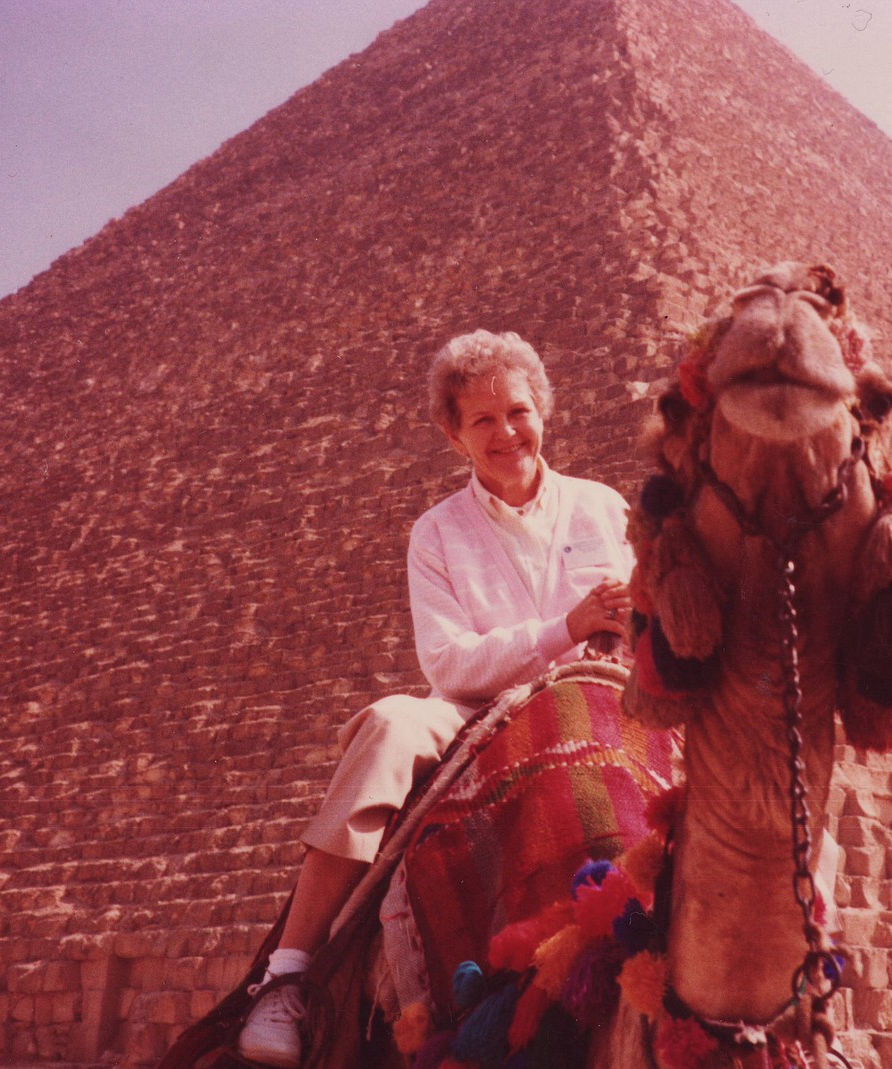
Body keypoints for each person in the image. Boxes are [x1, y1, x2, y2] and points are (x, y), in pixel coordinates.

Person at [238, 330, 634, 1067]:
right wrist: (565, 627)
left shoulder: (604, 510)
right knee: (391, 723)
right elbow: (449, 663)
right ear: (452, 435)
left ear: (543, 411)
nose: (506, 432)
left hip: (601, 703)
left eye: (517, 411)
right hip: (474, 712)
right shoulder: (436, 534)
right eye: (481, 420)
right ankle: (287, 975)